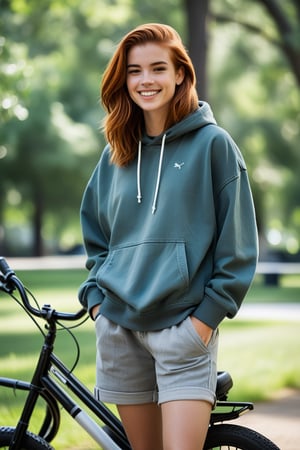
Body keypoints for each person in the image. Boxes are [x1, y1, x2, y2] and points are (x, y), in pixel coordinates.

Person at [78, 23, 258, 450]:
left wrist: (204, 322)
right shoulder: (115, 153)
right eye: (135, 71)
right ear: (124, 79)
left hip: (183, 329)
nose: (146, 80)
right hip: (120, 327)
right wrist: (97, 303)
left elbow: (237, 248)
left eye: (158, 68)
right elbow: (96, 239)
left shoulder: (214, 145)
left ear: (180, 74)